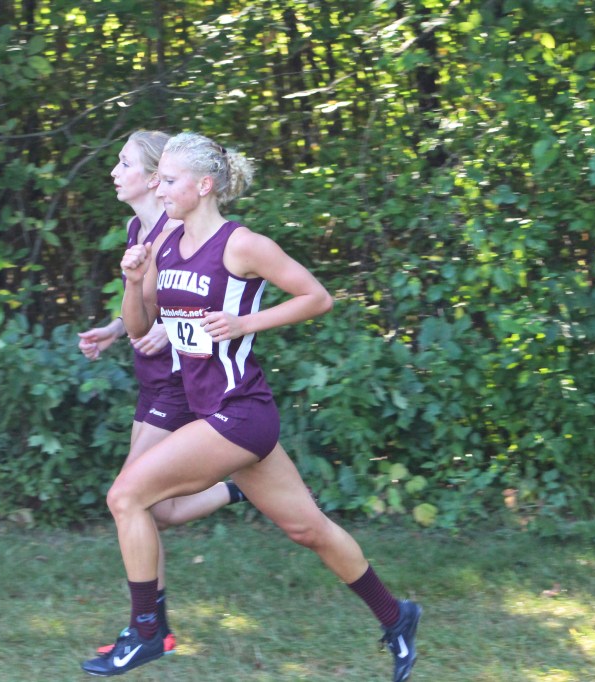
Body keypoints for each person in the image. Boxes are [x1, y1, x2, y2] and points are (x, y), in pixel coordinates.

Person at [82, 132, 421, 681]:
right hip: (214, 413)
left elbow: (317, 297)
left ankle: (147, 630)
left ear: (204, 185)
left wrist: (245, 323)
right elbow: (143, 327)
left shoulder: (241, 244)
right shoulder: (164, 245)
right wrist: (133, 279)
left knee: (126, 497)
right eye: (158, 179)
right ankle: (397, 615)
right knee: (307, 529)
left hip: (239, 413)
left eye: (169, 180)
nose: (159, 188)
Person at [77, 130, 247, 655]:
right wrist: (115, 328)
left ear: (154, 177)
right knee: (149, 507)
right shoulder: (137, 228)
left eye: (123, 162)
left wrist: (170, 331)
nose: (114, 171)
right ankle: (238, 490)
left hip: (178, 384)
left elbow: (208, 303)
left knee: (132, 499)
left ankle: (149, 628)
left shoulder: (184, 227)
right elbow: (153, 304)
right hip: (151, 378)